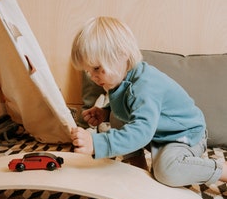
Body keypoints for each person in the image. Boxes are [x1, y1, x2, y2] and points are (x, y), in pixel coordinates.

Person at [70, 16, 227, 187]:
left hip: (184, 134)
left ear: (122, 54)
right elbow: (128, 106)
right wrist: (105, 112)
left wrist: (97, 143)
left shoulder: (146, 85)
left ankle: (222, 171)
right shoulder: (119, 80)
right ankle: (139, 166)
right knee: (117, 117)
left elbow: (141, 131)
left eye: (97, 68)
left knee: (166, 171)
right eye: (88, 71)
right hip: (158, 132)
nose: (93, 77)